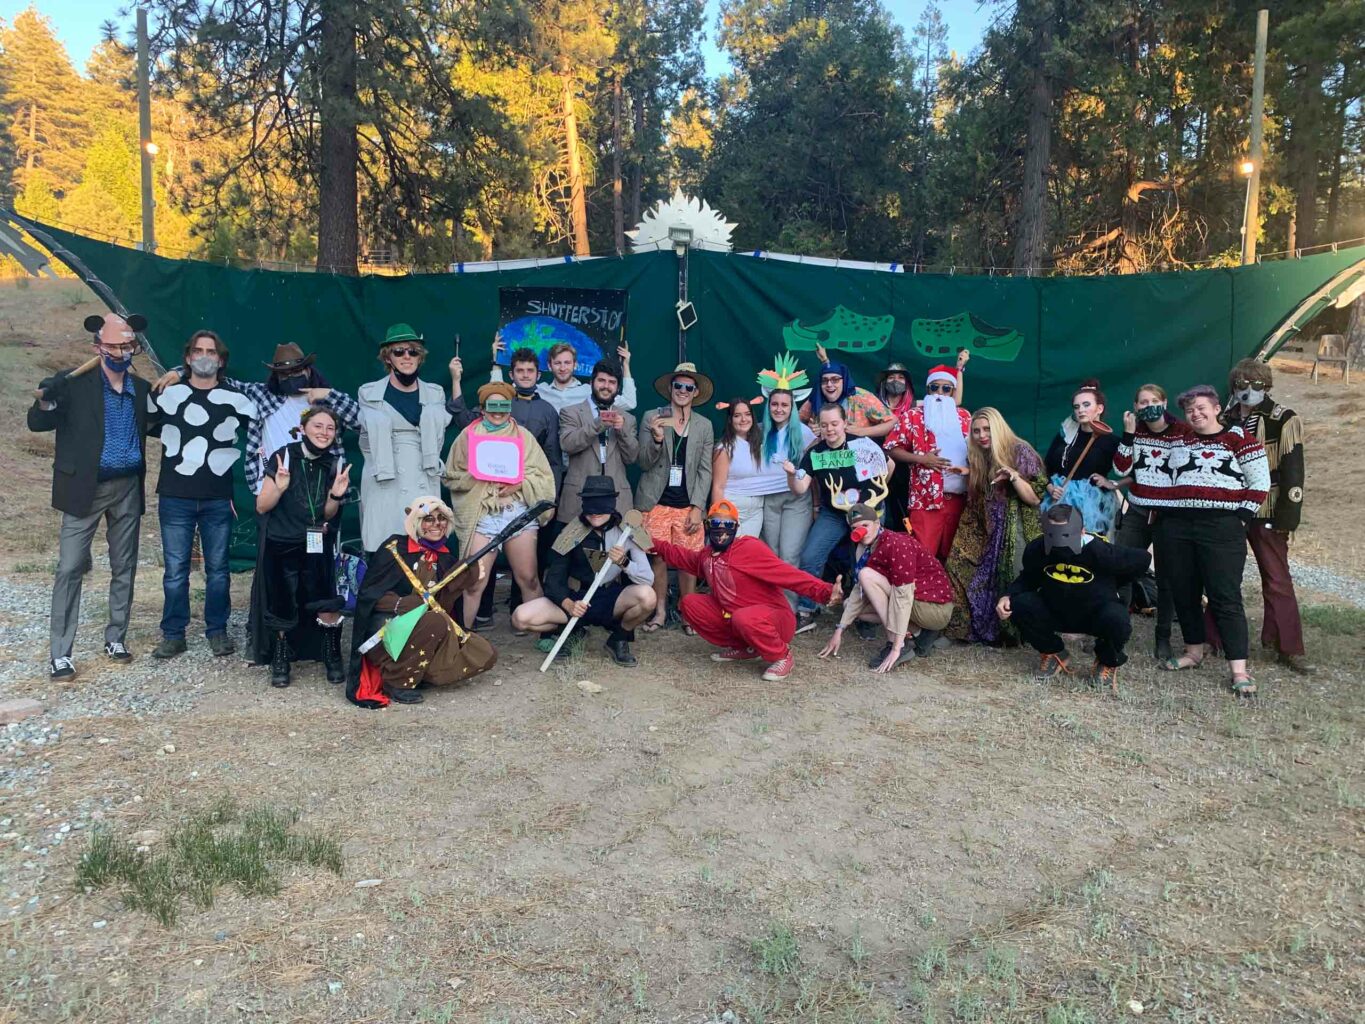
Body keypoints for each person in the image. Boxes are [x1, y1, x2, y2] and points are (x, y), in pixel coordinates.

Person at [29, 313, 154, 680]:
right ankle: (60, 653)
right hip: (84, 487)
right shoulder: (73, 386)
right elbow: (37, 423)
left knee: (125, 565)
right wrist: (47, 401)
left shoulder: (140, 389)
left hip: (128, 486)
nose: (120, 352)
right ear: (97, 346)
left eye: (127, 346)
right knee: (69, 567)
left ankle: (116, 636)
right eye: (114, 345)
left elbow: (163, 425)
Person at [1143, 385, 1269, 696]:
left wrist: (1242, 516)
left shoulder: (1238, 439)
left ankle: (1238, 669)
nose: (1195, 414)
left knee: (1225, 595)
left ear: (1215, 409)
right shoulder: (1180, 439)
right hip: (1177, 526)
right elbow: (1160, 472)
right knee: (1183, 590)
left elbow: (1260, 480)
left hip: (1221, 526)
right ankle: (1193, 652)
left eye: (1201, 408)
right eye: (1189, 410)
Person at [646, 499, 845, 682]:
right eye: (716, 524)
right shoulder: (708, 555)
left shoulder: (749, 549)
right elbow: (683, 558)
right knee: (690, 603)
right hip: (741, 618)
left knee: (743, 617)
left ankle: (782, 655)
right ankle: (745, 647)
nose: (722, 530)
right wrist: (650, 541)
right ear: (708, 526)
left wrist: (826, 591)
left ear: (736, 528)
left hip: (775, 620)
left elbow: (789, 575)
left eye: (728, 525)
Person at [149, 330, 257, 661]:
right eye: (198, 350)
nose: (205, 356)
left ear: (221, 360)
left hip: (217, 497)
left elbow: (268, 414)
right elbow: (140, 420)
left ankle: (217, 631)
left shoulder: (236, 397)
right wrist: (176, 374)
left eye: (211, 351)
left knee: (218, 569)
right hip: (175, 495)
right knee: (176, 570)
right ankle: (173, 633)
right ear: (187, 357)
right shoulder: (169, 392)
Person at [449, 344, 564, 630]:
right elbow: (452, 475)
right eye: (492, 406)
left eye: (503, 406)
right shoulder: (467, 436)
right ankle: (459, 638)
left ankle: (543, 633)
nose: (498, 412)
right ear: (484, 408)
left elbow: (544, 477)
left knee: (528, 578)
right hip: (483, 515)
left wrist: (520, 484)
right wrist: (478, 478)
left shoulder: (523, 437)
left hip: (517, 514)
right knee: (475, 581)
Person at [346, 496, 497, 707]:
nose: (437, 524)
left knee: (483, 652)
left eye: (442, 518)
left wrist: (458, 583)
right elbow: (368, 595)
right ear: (416, 522)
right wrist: (399, 604)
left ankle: (421, 673)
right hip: (386, 633)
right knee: (434, 622)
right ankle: (397, 681)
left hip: (426, 631)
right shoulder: (394, 548)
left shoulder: (445, 558)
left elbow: (443, 609)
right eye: (428, 519)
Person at [154, 341, 360, 495]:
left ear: (307, 369)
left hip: (320, 487)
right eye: (284, 373)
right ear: (276, 376)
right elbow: (218, 380)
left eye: (296, 370)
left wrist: (329, 394)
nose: (290, 377)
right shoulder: (262, 395)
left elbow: (360, 422)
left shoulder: (326, 400)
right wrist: (181, 372)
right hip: (272, 485)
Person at [248, 404, 351, 687]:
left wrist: (336, 494)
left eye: (330, 428)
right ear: (303, 428)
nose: (324, 432)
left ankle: (331, 653)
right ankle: (281, 654)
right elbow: (261, 505)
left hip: (316, 541)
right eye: (318, 426)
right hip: (281, 541)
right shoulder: (284, 456)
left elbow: (328, 514)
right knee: (282, 600)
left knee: (325, 596)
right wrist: (279, 486)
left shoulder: (334, 464)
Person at [998, 503, 1151, 693]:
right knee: (1019, 604)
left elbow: (1142, 560)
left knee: (1117, 618)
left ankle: (1106, 661)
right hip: (1055, 610)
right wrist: (1008, 595)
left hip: (1094, 614)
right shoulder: (1038, 548)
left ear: (1082, 532)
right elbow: (1029, 577)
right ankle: (1054, 652)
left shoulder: (1101, 551)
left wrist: (1117, 586)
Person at [512, 476, 657, 666]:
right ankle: (573, 631)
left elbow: (647, 578)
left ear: (612, 504)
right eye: (591, 506)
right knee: (520, 618)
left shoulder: (627, 532)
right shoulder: (571, 534)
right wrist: (568, 604)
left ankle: (618, 638)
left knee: (647, 596)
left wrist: (624, 562)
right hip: (575, 597)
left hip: (609, 599)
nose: (595, 513)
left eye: (601, 506)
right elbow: (553, 580)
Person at [1224, 358, 1311, 674]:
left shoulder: (1283, 418)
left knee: (1276, 578)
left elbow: (1293, 470)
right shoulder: (1224, 417)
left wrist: (1288, 517)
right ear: (1234, 386)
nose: (1249, 390)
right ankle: (1216, 638)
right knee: (1223, 575)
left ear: (1267, 385)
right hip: (1231, 508)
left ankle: (1286, 646)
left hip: (1267, 508)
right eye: (1242, 384)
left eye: (1257, 384)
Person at [782, 403, 888, 633]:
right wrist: (791, 476)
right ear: (818, 427)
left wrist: (875, 499)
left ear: (844, 423)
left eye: (834, 424)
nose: (829, 429)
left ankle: (866, 616)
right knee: (810, 555)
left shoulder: (861, 445)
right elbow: (800, 488)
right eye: (824, 425)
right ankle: (806, 610)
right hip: (835, 513)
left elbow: (889, 464)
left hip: (866, 512)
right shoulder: (816, 453)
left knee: (868, 563)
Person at [944, 407, 1046, 644]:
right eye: (976, 431)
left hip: (1016, 529)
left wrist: (1014, 476)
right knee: (958, 565)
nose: (981, 435)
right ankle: (966, 630)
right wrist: (969, 472)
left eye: (987, 429)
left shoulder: (1020, 451)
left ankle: (1014, 635)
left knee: (1011, 580)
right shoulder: (980, 455)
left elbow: (1034, 498)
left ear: (998, 428)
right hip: (988, 526)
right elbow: (985, 492)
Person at [819, 500, 956, 672]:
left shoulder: (896, 544)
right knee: (851, 605)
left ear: (877, 523)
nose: (860, 531)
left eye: (865, 525)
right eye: (855, 528)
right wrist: (840, 629)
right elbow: (858, 592)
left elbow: (903, 596)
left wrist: (896, 647)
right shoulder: (866, 548)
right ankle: (918, 633)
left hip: (934, 608)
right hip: (918, 602)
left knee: (866, 575)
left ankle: (901, 641)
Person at [356, 324, 458, 553]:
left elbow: (450, 424)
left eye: (412, 351)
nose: (406, 357)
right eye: (399, 351)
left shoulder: (435, 393)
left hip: (423, 474)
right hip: (385, 478)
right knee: (385, 545)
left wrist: (457, 380)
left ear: (420, 357)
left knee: (422, 543)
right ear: (388, 357)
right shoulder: (368, 393)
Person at [637, 362, 716, 632]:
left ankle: (688, 611)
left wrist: (698, 507)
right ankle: (659, 611)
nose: (682, 390)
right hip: (656, 501)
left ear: (695, 392)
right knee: (658, 558)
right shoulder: (653, 416)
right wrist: (657, 439)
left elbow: (706, 470)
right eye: (678, 385)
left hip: (687, 505)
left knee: (688, 562)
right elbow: (643, 462)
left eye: (688, 387)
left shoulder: (704, 426)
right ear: (670, 388)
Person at [1113, 384, 1188, 660]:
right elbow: (1121, 468)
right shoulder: (1136, 432)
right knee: (1121, 567)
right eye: (1142, 402)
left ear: (1165, 402)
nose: (1148, 406)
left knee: (1168, 576)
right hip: (1138, 508)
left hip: (1169, 514)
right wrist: (1129, 435)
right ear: (1135, 407)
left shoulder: (1181, 432)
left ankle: (1163, 636)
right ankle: (1115, 630)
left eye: (1154, 401)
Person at [884, 360, 973, 559]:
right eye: (935, 387)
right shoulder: (913, 416)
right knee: (923, 556)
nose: (940, 393)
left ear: (953, 391)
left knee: (955, 558)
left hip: (960, 500)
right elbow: (891, 448)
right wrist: (922, 458)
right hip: (925, 500)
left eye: (946, 388)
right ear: (927, 389)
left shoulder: (965, 417)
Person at [755, 356, 817, 600]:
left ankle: (788, 609)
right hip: (769, 499)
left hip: (796, 499)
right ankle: (771, 603)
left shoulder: (805, 433)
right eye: (775, 404)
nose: (779, 409)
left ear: (792, 408)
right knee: (771, 554)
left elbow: (814, 470)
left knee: (790, 555)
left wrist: (817, 505)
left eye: (784, 405)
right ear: (769, 405)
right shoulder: (759, 431)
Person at [560, 359, 639, 525]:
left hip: (616, 501)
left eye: (612, 382)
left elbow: (631, 457)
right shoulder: (570, 412)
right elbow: (567, 444)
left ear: (617, 388)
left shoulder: (628, 419)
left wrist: (622, 430)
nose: (606, 386)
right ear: (591, 382)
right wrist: (598, 424)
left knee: (616, 551)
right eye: (601, 380)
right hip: (579, 499)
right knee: (575, 551)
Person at [1042, 380, 1122, 538]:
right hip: (1060, 502)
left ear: (1099, 408)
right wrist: (1050, 487)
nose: (1081, 410)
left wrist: (1113, 484)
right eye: (1077, 406)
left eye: (1086, 405)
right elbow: (1046, 467)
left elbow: (1131, 471)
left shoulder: (1111, 441)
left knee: (1089, 550)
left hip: (1094, 506)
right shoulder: (1065, 436)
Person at [490, 336, 638, 413]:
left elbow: (630, 402)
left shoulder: (589, 391)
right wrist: (497, 361)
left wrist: (626, 365)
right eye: (557, 363)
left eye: (567, 363)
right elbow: (498, 393)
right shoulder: (538, 390)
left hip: (578, 461)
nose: (562, 368)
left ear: (575, 365)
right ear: (549, 365)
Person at [800, 350, 894, 438]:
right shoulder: (816, 398)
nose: (829, 384)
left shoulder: (860, 396)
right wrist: (808, 430)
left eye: (835, 380)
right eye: (824, 380)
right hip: (824, 453)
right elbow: (794, 422)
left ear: (844, 381)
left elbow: (892, 421)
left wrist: (862, 431)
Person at [711, 397, 768, 539]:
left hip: (755, 511)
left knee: (747, 554)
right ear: (730, 420)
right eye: (737, 415)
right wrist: (719, 518)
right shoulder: (724, 448)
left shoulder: (758, 445)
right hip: (731, 509)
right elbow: (718, 486)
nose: (743, 419)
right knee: (729, 554)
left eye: (747, 414)